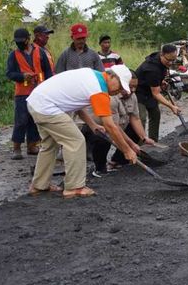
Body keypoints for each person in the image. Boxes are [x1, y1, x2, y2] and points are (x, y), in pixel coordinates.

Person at [26, 65, 138, 198]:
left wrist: (92, 124)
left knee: (50, 145)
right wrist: (127, 150)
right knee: (75, 141)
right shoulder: (99, 89)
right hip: (47, 107)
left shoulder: (92, 76)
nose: (119, 91)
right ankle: (74, 187)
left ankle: (39, 185)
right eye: (119, 86)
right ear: (112, 76)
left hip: (37, 101)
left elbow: (77, 104)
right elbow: (110, 125)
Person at [81, 73, 154, 177]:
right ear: (122, 84)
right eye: (130, 86)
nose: (133, 90)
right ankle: (100, 169)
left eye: (135, 87)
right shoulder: (111, 98)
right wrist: (131, 146)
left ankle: (118, 161)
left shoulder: (132, 96)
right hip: (95, 129)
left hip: (116, 126)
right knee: (105, 135)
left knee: (134, 131)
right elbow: (113, 126)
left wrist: (144, 137)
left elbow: (135, 118)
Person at [5, 28, 54, 160]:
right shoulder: (13, 55)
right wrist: (22, 76)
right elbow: (9, 74)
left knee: (34, 119)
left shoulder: (40, 52)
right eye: (17, 42)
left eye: (21, 41)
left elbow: (48, 71)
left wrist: (48, 87)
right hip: (22, 93)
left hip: (39, 91)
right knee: (21, 120)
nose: (19, 44)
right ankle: (16, 148)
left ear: (28, 39)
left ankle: (32, 146)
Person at [135, 44, 181, 141]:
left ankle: (153, 141)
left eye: (173, 60)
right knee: (141, 118)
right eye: (168, 60)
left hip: (149, 90)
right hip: (138, 93)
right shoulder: (152, 68)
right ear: (162, 54)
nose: (170, 63)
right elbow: (156, 93)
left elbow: (156, 82)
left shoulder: (161, 61)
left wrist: (160, 82)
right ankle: (139, 146)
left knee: (155, 114)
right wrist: (171, 106)